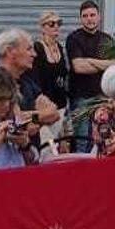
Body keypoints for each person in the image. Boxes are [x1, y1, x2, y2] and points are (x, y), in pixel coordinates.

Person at [65, 0, 111, 153]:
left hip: (101, 97)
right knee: (82, 141)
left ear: (99, 16)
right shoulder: (73, 38)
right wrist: (102, 64)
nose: (89, 19)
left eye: (92, 15)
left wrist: (89, 60)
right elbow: (79, 67)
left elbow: (113, 64)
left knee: (99, 140)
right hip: (80, 98)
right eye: (85, 16)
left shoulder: (106, 39)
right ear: (80, 18)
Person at [29, 11, 70, 150]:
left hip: (61, 106)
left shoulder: (59, 47)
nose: (56, 27)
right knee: (48, 149)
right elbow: (36, 81)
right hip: (46, 108)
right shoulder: (38, 49)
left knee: (62, 148)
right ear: (42, 27)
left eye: (59, 23)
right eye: (52, 24)